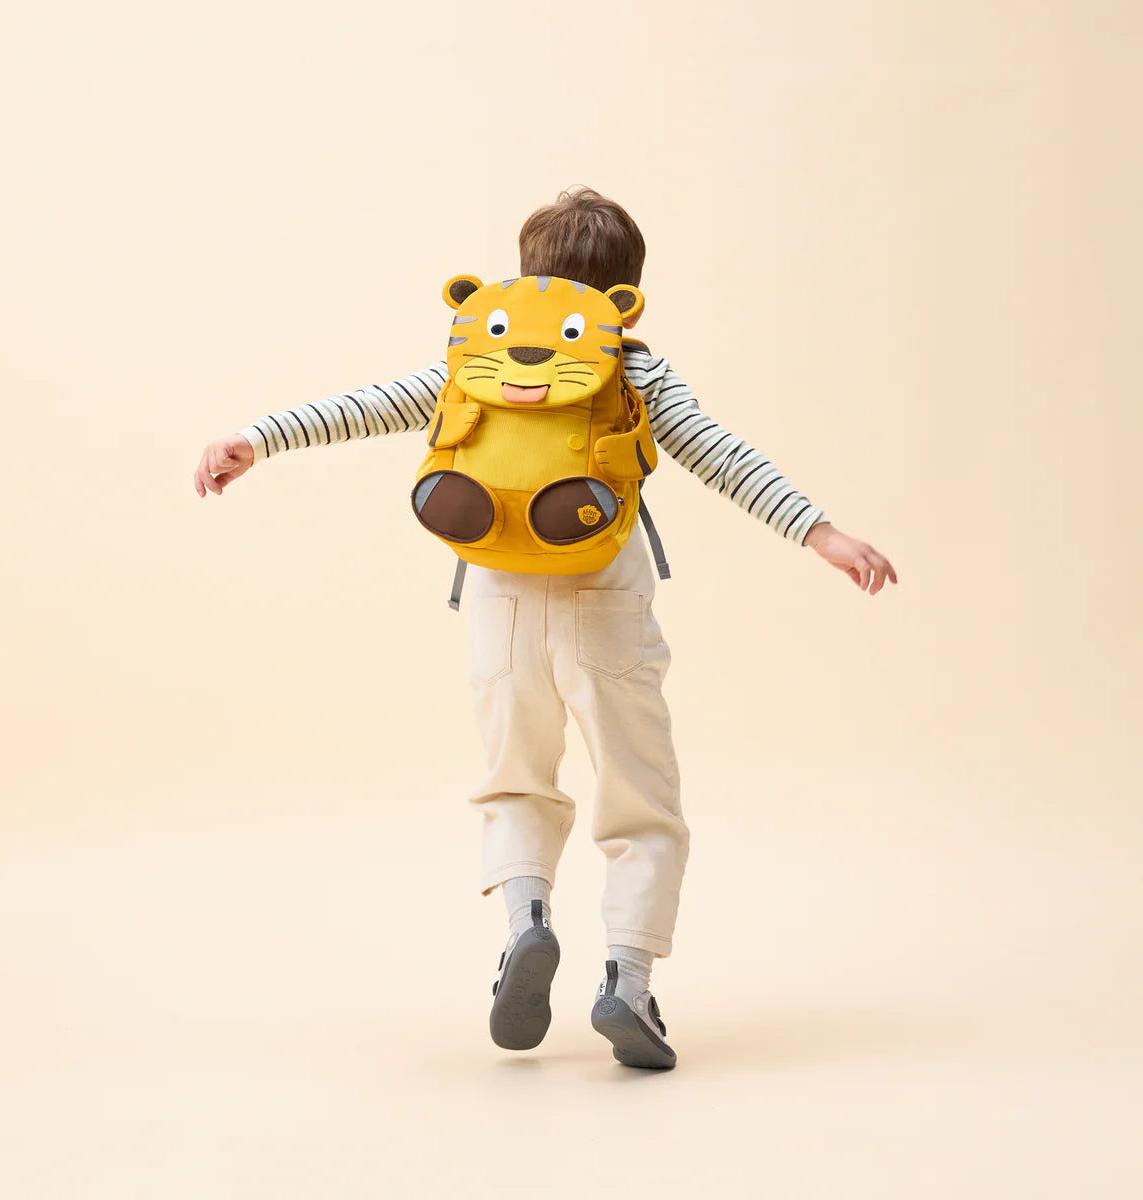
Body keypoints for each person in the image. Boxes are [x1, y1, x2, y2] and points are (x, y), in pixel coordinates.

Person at [192, 187, 897, 1070]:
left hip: (500, 599)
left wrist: (256, 438)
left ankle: (526, 923)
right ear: (628, 298)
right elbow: (722, 455)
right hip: (605, 598)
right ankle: (627, 982)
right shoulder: (635, 372)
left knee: (516, 778)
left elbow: (373, 403)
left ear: (524, 275)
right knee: (640, 794)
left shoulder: (479, 356)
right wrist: (822, 533)